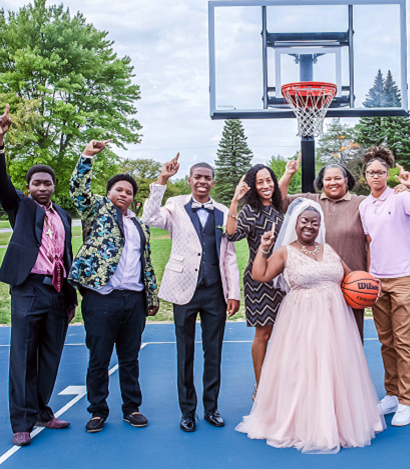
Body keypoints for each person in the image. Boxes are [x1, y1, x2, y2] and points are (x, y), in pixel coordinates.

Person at [235, 199, 385, 453]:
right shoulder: (285, 251)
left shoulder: (329, 250)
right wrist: (263, 248)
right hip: (301, 321)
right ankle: (302, 423)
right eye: (305, 221)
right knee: (303, 370)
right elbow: (260, 275)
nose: (310, 226)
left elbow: (351, 278)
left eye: (315, 222)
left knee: (334, 368)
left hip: (336, 322)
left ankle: (337, 422)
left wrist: (370, 288)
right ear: (295, 223)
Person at [0, 105, 77, 447]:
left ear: (54, 187)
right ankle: (21, 422)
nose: (43, 187)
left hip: (56, 294)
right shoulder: (21, 207)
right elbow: (0, 180)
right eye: (36, 183)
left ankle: (42, 410)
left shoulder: (65, 217)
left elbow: (66, 256)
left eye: (48, 183)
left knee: (50, 356)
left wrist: (70, 297)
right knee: (23, 357)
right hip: (28, 290)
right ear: (28, 187)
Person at [141, 155, 240, 433]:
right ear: (190, 180)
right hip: (183, 288)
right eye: (198, 176)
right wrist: (162, 180)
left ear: (212, 181)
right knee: (185, 352)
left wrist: (233, 293)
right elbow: (148, 217)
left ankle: (211, 408)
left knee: (213, 352)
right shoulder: (175, 205)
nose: (202, 181)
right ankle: (187, 411)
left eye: (207, 177)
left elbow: (229, 255)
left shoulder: (223, 211)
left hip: (215, 293)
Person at [68, 139, 160, 434]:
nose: (124, 194)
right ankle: (97, 411)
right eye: (119, 189)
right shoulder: (97, 211)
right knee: (99, 358)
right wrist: (86, 156)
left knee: (130, 358)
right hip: (101, 299)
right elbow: (79, 192)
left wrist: (151, 297)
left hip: (133, 301)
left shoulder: (139, 225)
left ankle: (131, 408)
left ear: (134, 198)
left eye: (129, 191)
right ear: (108, 194)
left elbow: (145, 262)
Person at [358, 147, 410, 428]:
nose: (376, 176)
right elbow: (370, 242)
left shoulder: (402, 196)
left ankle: (407, 402)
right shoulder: (364, 205)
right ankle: (391, 394)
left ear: (388, 173)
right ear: (365, 177)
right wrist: (368, 276)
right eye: (371, 172)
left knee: (403, 341)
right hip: (377, 280)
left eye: (381, 171)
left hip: (404, 277)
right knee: (386, 342)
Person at [278, 156, 368, 338]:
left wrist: (401, 189)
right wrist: (288, 174)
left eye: (337, 178)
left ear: (346, 180)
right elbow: (278, 201)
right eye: (328, 179)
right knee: (320, 338)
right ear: (322, 182)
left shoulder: (361, 202)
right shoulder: (310, 201)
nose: (332, 182)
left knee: (352, 337)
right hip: (318, 284)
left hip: (351, 283)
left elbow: (383, 202)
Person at [226, 165, 285, 399]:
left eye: (268, 180)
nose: (265, 186)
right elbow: (232, 234)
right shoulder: (250, 210)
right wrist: (234, 201)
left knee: (287, 332)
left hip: (285, 277)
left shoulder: (282, 208)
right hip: (259, 280)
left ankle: (284, 383)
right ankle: (261, 387)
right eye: (260, 182)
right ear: (253, 185)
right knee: (264, 334)